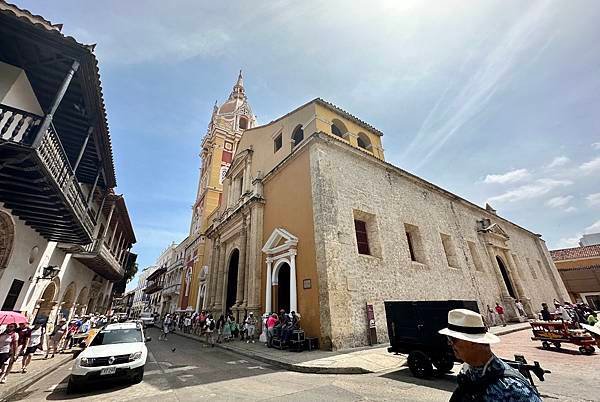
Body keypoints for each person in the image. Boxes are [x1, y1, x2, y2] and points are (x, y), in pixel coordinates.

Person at [439, 309, 541, 402]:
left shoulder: (511, 388)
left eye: (452, 339)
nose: (449, 343)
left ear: (472, 341)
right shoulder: (467, 370)